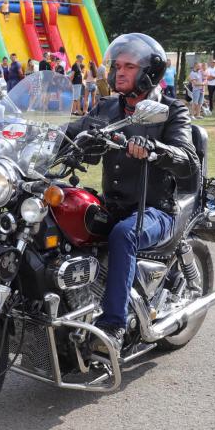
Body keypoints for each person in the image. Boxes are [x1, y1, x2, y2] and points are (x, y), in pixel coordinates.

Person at [62, 33, 198, 352]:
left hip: (156, 210)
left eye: (129, 67)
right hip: (113, 205)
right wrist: (33, 136)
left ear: (149, 72)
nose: (119, 72)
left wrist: (155, 149)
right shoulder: (108, 107)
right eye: (117, 66)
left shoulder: (172, 110)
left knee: (124, 234)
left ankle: (113, 326)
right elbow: (71, 133)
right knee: (62, 212)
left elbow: (187, 159)